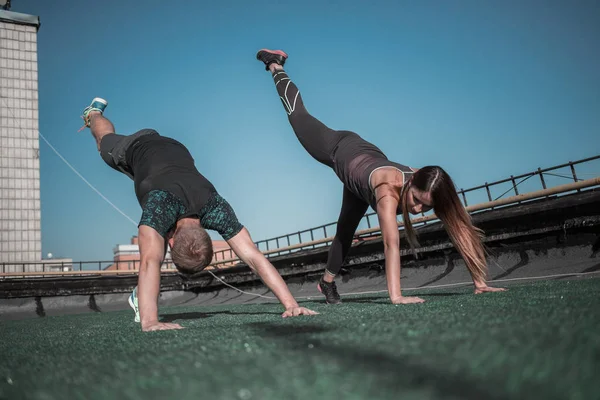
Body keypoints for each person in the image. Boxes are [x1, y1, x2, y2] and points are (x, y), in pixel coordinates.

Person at [255, 49, 506, 305]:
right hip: (337, 147)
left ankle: (326, 283)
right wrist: (396, 296)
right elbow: (391, 244)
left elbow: (459, 227)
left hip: (368, 163)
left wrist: (480, 283)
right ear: (411, 181)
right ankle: (275, 65)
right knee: (299, 116)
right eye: (417, 201)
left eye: (426, 207)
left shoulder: (427, 184)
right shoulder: (388, 193)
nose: (419, 210)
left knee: (345, 229)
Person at [80, 98, 317, 331]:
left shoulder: (214, 207)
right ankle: (93, 115)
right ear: (171, 243)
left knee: (154, 233)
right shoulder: (160, 205)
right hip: (132, 149)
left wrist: (291, 304)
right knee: (103, 142)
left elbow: (255, 257)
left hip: (174, 148)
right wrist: (150, 322)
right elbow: (149, 261)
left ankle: (142, 297)